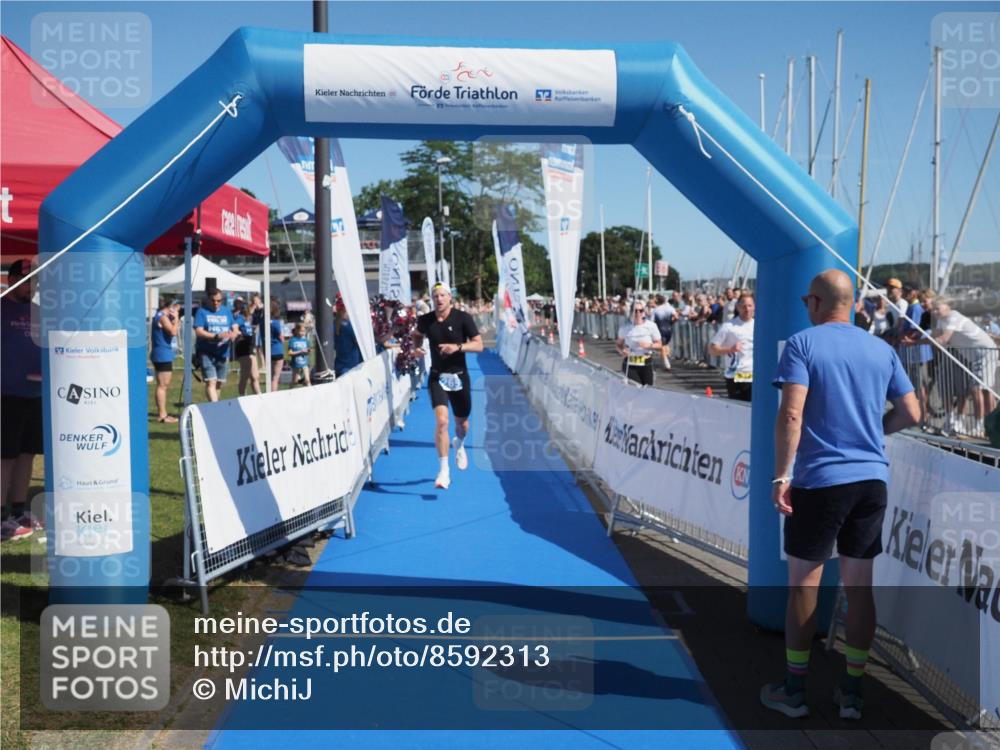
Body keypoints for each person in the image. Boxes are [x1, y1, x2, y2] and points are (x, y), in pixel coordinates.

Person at [761, 269, 919, 720]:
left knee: (803, 585)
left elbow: (791, 415)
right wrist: (871, 433)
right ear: (850, 304)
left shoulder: (802, 344)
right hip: (871, 480)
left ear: (815, 302)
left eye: (805, 301)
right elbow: (912, 412)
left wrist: (781, 476)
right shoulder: (881, 348)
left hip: (820, 481)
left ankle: (795, 690)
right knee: (859, 587)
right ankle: (851, 692)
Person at [413, 283, 484, 490]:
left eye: (443, 295)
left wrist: (458, 347)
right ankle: (444, 471)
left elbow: (479, 345)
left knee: (462, 424)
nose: (439, 299)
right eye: (435, 296)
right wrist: (417, 349)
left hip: (459, 377)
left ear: (449, 297)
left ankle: (459, 443)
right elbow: (416, 335)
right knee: (442, 421)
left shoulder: (463, 318)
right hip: (437, 377)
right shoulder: (426, 320)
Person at [1, 260, 44, 541]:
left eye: (34, 282)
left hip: (35, 392)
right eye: (26, 281)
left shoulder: (39, 312)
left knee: (27, 453)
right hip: (7, 394)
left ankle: (18, 511)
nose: (31, 287)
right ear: (12, 280)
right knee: (5, 456)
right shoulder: (2, 308)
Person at [931, 296, 999, 435]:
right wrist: (925, 340)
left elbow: (944, 338)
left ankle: (980, 426)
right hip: (975, 357)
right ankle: (987, 426)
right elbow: (935, 336)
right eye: (933, 309)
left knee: (979, 389)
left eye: (937, 308)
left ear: (947, 307)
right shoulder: (941, 320)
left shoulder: (954, 317)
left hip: (985, 352)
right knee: (983, 390)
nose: (934, 312)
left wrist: (933, 340)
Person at [708, 292, 755, 402]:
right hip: (736, 375)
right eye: (744, 306)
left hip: (754, 374)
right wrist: (730, 349)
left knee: (752, 409)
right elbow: (712, 349)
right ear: (738, 307)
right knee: (739, 408)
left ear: (754, 307)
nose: (747, 309)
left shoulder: (759, 325)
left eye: (750, 306)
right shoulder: (729, 326)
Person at [193, 290, 238, 403]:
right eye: (213, 300)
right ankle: (215, 407)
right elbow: (198, 331)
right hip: (206, 352)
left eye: (219, 301)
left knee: (219, 383)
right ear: (208, 300)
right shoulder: (202, 312)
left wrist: (234, 334)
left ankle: (215, 406)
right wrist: (216, 336)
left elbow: (235, 326)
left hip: (223, 352)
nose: (216, 303)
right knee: (211, 381)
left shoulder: (226, 311)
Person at [615, 299, 661, 386]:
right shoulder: (625, 327)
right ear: (631, 312)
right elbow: (618, 344)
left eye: (641, 310)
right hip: (630, 363)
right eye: (635, 311)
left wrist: (649, 345)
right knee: (635, 388)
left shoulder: (651, 326)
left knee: (648, 389)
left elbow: (659, 345)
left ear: (644, 312)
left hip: (646, 362)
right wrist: (622, 351)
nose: (638, 313)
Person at [150, 299, 180, 422]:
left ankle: (163, 414)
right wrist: (176, 319)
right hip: (162, 354)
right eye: (177, 308)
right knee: (162, 385)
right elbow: (173, 332)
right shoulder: (162, 317)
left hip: (161, 353)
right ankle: (162, 416)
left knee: (162, 385)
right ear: (172, 307)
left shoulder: (159, 316)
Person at [233, 298, 261, 396]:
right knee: (246, 376)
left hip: (250, 348)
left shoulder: (249, 320)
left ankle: (258, 396)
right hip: (243, 348)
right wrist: (238, 333)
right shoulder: (240, 318)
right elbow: (234, 327)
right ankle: (243, 396)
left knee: (254, 376)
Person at [333, 295, 363, 378]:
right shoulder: (350, 326)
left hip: (339, 365)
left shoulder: (333, 325)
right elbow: (360, 343)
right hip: (351, 366)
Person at [651, 293, 678, 371]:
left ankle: (667, 364)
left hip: (660, 329)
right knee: (665, 345)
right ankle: (666, 358)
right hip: (669, 329)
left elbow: (652, 321)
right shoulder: (670, 308)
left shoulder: (656, 310)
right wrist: (671, 322)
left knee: (662, 346)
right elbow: (676, 317)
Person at [268, 299, 286, 392]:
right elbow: (281, 337)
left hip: (268, 351)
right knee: (275, 378)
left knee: (271, 376)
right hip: (277, 350)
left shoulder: (264, 322)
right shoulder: (275, 323)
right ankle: (273, 395)